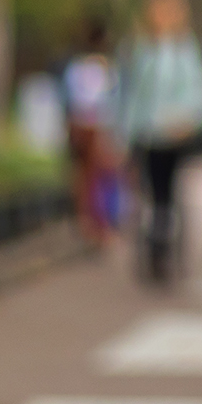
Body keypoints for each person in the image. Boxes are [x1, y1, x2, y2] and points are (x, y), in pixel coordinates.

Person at [116, 0, 202, 284]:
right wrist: (121, 136)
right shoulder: (136, 48)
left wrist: (190, 120)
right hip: (146, 135)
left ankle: (171, 250)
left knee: (173, 194)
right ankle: (152, 248)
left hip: (180, 136)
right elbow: (125, 95)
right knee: (151, 194)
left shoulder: (197, 49)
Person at [60, 23, 119, 248]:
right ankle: (95, 222)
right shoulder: (102, 69)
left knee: (93, 176)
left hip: (89, 125)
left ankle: (95, 221)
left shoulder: (80, 68)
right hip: (93, 126)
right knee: (93, 175)